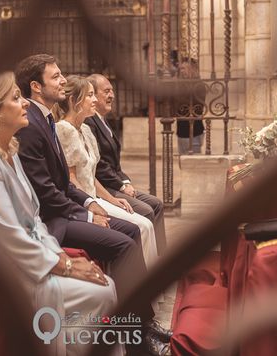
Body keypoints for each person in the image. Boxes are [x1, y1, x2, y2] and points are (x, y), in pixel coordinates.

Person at [15, 54, 171, 355]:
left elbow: (63, 182)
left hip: (67, 207)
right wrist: (86, 213)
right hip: (53, 220)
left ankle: (143, 325)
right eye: (56, 76)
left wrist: (89, 202)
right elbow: (46, 192)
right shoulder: (32, 125)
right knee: (125, 244)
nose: (63, 80)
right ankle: (139, 340)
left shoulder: (43, 117)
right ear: (36, 86)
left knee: (133, 231)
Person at [0, 71, 120, 355]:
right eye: (16, 98)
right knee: (101, 292)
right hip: (8, 268)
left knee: (105, 285)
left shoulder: (10, 151)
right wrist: (63, 266)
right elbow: (8, 233)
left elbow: (34, 219)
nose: (25, 103)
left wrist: (60, 256)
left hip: (35, 253)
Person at [55, 75, 158, 268]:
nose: (95, 100)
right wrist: (92, 204)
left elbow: (91, 176)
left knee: (146, 223)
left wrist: (113, 200)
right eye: (90, 95)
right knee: (142, 226)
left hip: (96, 196)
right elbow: (71, 178)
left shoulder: (85, 129)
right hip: (83, 201)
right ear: (73, 101)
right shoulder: (63, 130)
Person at [87, 74, 167, 255]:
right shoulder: (89, 122)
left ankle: (162, 255)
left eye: (112, 91)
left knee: (157, 204)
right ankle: (148, 261)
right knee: (146, 211)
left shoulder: (103, 120)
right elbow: (99, 166)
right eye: (106, 91)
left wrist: (126, 182)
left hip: (115, 183)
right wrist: (121, 187)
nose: (112, 95)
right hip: (105, 187)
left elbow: (115, 163)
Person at [175, 59, 206, 155]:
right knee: (183, 161)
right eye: (181, 69)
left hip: (194, 129)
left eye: (184, 68)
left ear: (192, 69)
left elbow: (197, 106)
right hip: (182, 129)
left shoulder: (198, 84)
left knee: (194, 162)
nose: (182, 71)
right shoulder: (181, 84)